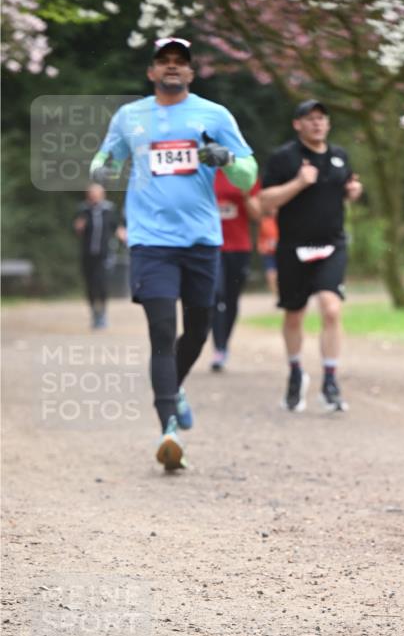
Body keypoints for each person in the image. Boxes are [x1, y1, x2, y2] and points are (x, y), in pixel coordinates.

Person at [90, 36, 257, 470]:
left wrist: (225, 159)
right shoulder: (131, 116)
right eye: (163, 61)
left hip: (202, 239)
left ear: (191, 72)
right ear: (151, 72)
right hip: (150, 242)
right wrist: (102, 167)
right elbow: (104, 159)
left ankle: (174, 391)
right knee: (162, 331)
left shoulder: (213, 115)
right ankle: (168, 429)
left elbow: (247, 174)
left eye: (179, 62)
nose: (171, 68)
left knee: (198, 330)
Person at [260, 99, 363, 412]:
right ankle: (295, 373)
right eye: (310, 118)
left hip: (331, 245)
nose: (317, 123)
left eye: (322, 118)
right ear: (298, 124)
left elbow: (347, 187)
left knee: (331, 309)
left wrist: (353, 192)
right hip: (293, 247)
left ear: (328, 124)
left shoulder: (339, 156)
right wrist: (298, 183)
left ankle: (330, 379)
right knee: (294, 314)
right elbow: (265, 202)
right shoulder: (284, 158)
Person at [210, 167, 262, 371]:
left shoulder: (244, 174)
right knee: (216, 294)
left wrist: (246, 195)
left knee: (231, 298)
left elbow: (257, 215)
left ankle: (224, 344)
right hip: (212, 245)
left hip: (239, 246)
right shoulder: (204, 173)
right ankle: (218, 347)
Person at [73, 182, 126, 329]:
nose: (94, 198)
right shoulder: (83, 210)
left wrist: (122, 234)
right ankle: (93, 313)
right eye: (92, 195)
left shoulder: (109, 210)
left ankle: (102, 313)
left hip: (105, 253)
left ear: (103, 195)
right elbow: (76, 230)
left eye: (97, 195)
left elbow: (116, 226)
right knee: (90, 285)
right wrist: (78, 228)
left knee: (102, 284)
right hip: (88, 254)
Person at [257, 211, 279, 297]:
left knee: (273, 272)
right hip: (269, 251)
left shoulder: (264, 221)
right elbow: (261, 237)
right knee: (271, 272)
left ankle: (278, 293)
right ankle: (276, 293)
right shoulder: (264, 221)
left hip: (278, 250)